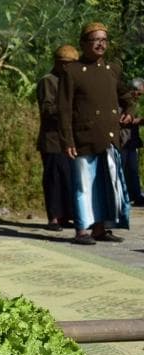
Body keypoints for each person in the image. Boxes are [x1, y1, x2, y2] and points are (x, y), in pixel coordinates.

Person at [57, 22, 135, 245]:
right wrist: (67, 139)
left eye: (104, 40)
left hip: (109, 137)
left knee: (107, 183)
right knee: (84, 183)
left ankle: (101, 228)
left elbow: (126, 96)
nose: (100, 44)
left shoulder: (112, 69)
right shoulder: (72, 71)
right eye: (95, 40)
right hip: (83, 138)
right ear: (84, 43)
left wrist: (129, 111)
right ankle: (83, 229)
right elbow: (64, 109)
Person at [37, 45, 79, 231]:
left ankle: (65, 215)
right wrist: (68, 110)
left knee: (68, 178)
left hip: (68, 139)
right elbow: (47, 109)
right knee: (53, 179)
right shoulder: (49, 81)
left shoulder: (70, 81)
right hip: (52, 138)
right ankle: (53, 217)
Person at [121, 78, 144, 207]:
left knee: (133, 169)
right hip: (123, 139)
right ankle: (125, 196)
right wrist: (134, 120)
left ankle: (136, 195)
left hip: (132, 141)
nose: (139, 97)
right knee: (122, 169)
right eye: (139, 93)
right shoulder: (124, 100)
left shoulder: (134, 103)